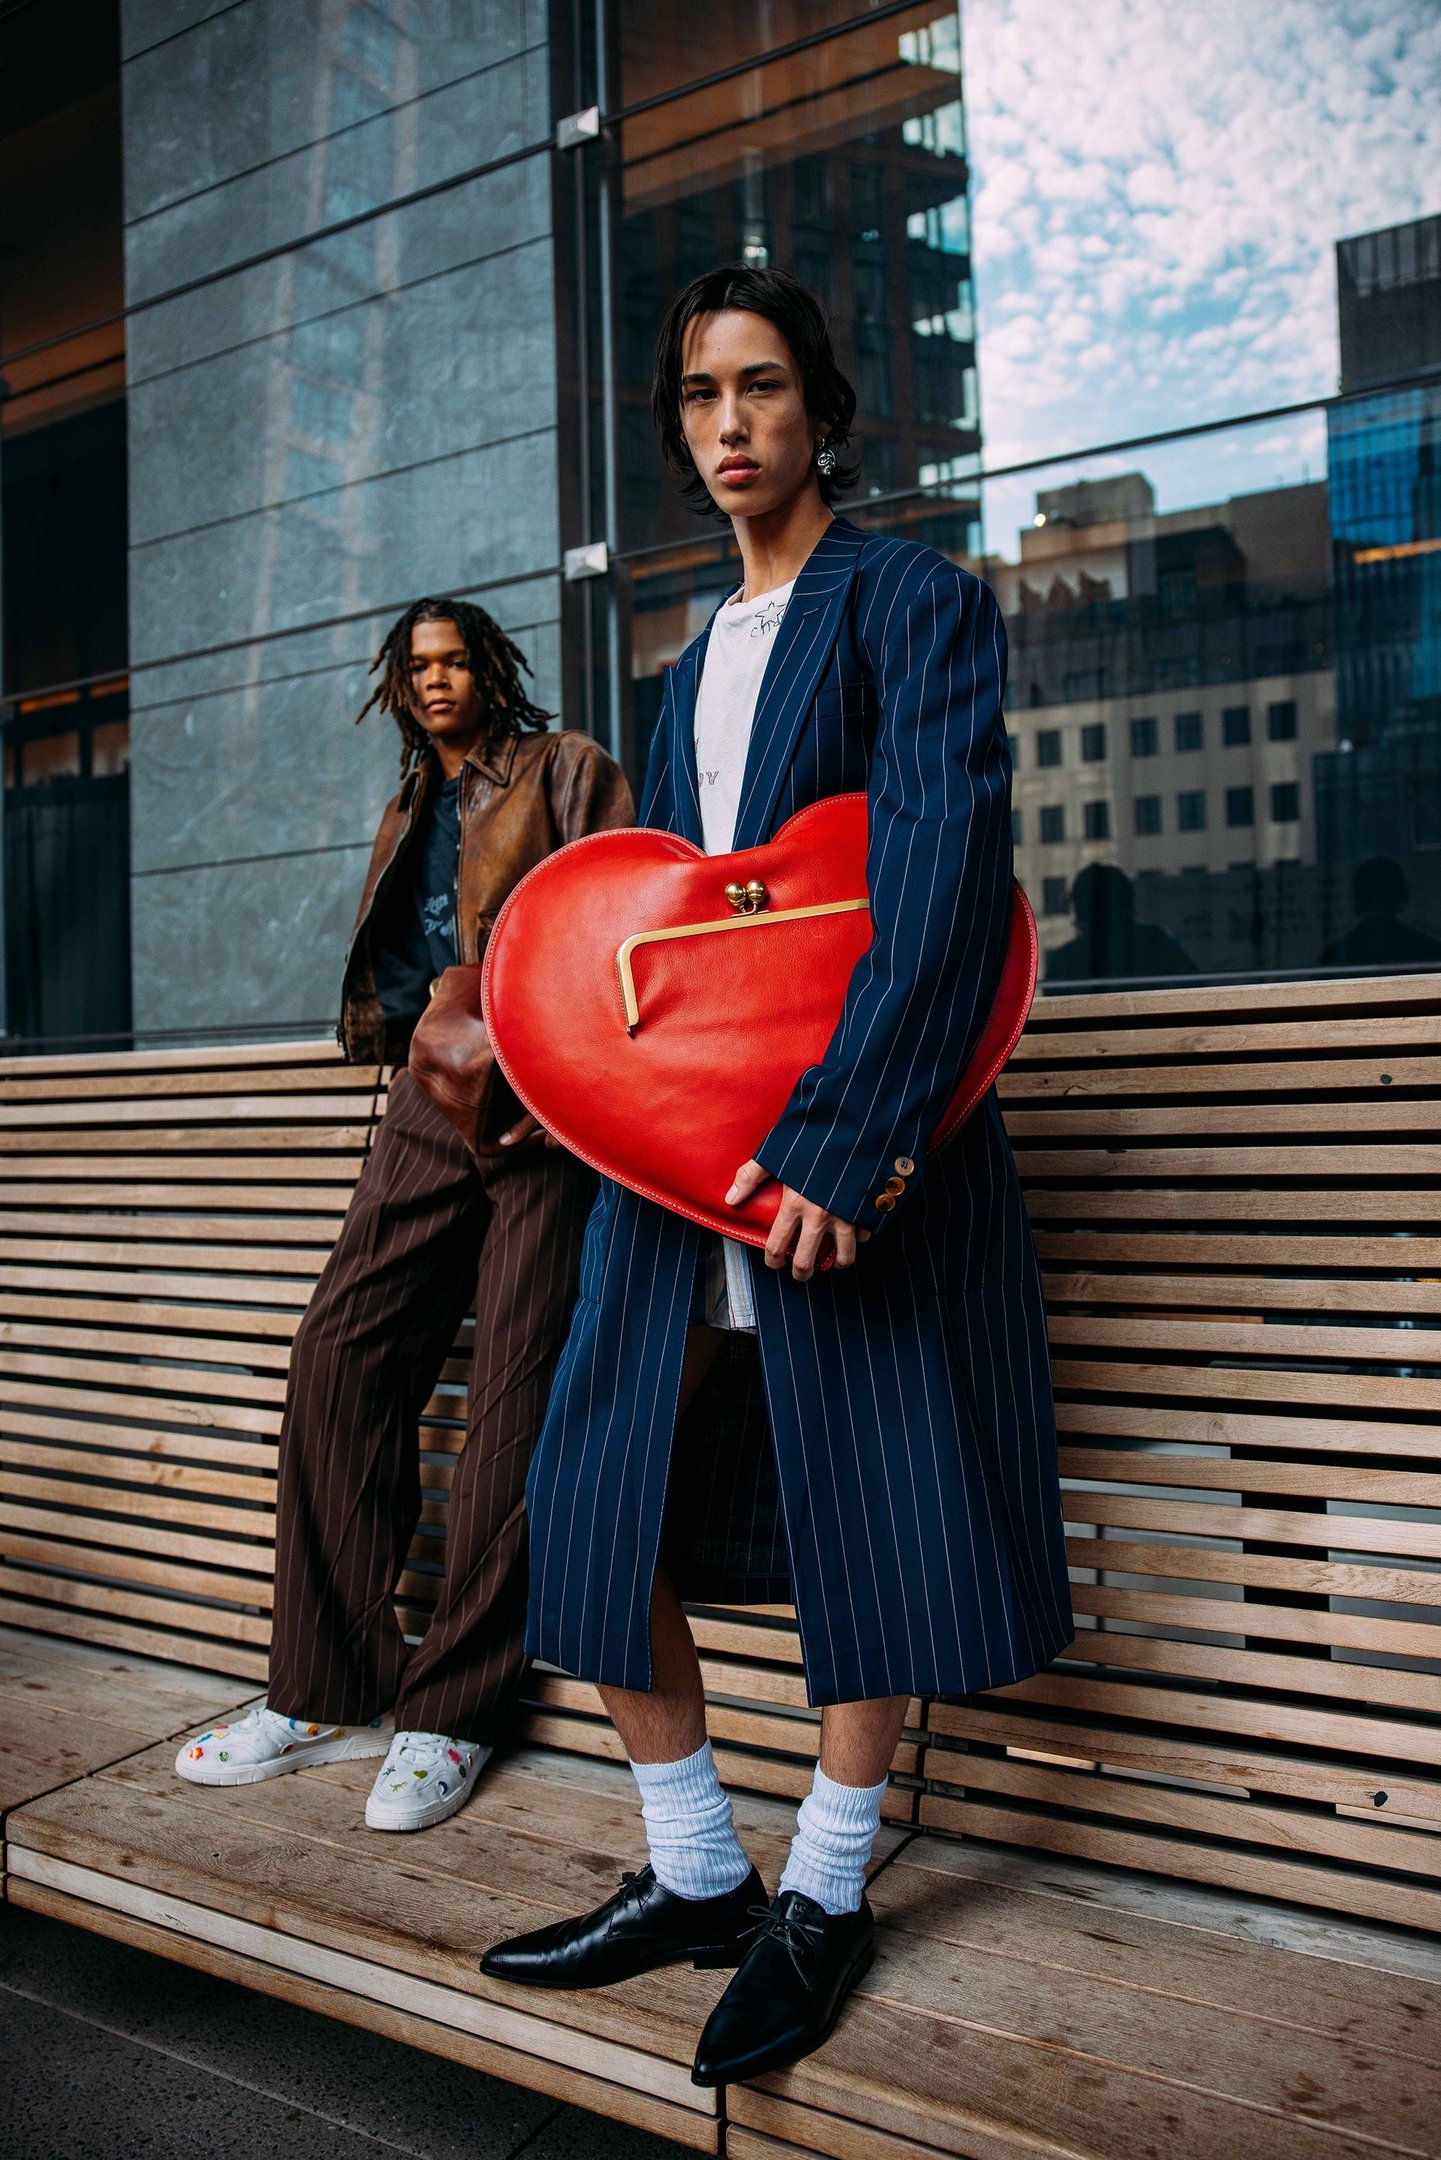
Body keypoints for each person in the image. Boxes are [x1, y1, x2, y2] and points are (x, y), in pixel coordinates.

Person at [481, 267, 1073, 2085]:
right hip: (677, 1171)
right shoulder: (681, 671)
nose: (726, 425)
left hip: (851, 1153)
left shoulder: (909, 600)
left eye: (757, 389)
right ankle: (695, 1868)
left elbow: (942, 883)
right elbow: (675, 940)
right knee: (591, 1496)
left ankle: (824, 1889)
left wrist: (851, 1139)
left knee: (863, 1517)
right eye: (694, 398)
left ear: (820, 405)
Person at [175, 598, 633, 1830]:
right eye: (416, 667)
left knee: (514, 1397)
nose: (437, 682)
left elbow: (631, 921)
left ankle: (452, 1714)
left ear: (492, 669)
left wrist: (574, 1073)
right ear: (396, 684)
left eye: (455, 661)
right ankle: (325, 1688)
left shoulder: (564, 766)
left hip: (546, 1087)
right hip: (433, 1091)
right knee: (339, 1352)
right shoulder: (409, 805)